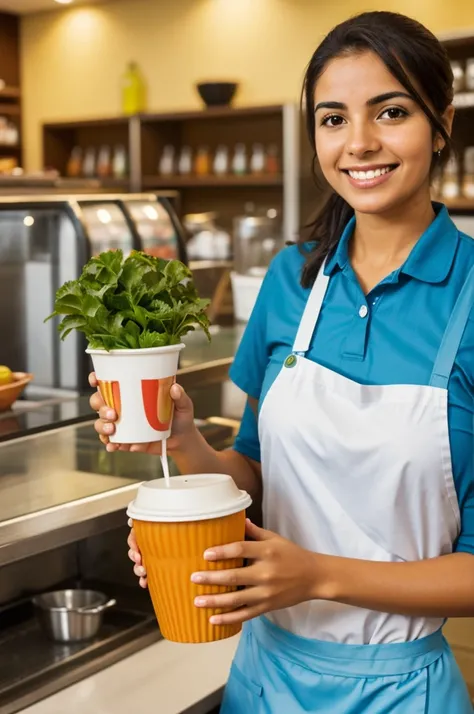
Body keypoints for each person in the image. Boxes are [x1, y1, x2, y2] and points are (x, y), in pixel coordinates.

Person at [90, 10, 474, 713]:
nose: (359, 143)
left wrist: (316, 576)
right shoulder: (293, 278)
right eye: (333, 120)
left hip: (401, 690)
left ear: (442, 121)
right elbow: (259, 474)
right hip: (263, 681)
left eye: (389, 112)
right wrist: (184, 439)